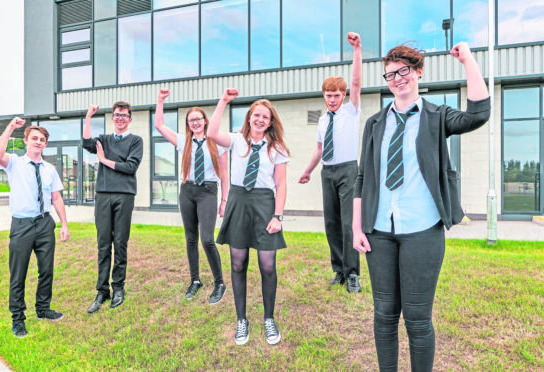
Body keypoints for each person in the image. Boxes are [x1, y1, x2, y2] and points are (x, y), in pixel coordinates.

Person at [352, 42, 490, 371]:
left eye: (403, 71)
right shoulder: (374, 123)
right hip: (379, 232)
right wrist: (356, 227)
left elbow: (478, 114)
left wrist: (468, 60)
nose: (397, 79)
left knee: (417, 319)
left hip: (422, 231)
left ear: (417, 72)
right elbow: (361, 178)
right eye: (390, 74)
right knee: (384, 316)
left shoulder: (437, 116)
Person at [208, 88, 290, 346]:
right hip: (239, 202)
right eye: (257, 115)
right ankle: (241, 320)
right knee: (237, 263)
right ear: (249, 117)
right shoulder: (236, 140)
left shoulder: (276, 147)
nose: (260, 119)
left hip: (264, 204)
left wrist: (278, 215)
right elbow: (211, 133)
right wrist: (223, 101)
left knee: (267, 264)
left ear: (270, 121)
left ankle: (268, 318)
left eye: (265, 117)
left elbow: (282, 185)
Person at [0, 118, 70, 338]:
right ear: (26, 140)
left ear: (45, 144)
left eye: (42, 140)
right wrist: (10, 127)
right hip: (22, 225)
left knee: (46, 270)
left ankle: (43, 309)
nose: (38, 142)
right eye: (34, 138)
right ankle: (18, 319)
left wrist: (64, 224)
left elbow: (56, 198)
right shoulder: (15, 163)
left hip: (45, 223)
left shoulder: (49, 169)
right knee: (18, 274)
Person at [298, 32, 363, 292]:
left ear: (343, 95)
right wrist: (307, 171)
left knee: (349, 224)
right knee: (332, 223)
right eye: (328, 95)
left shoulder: (351, 110)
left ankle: (353, 273)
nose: (332, 99)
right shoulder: (323, 120)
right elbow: (319, 149)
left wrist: (356, 50)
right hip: (327, 172)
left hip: (349, 171)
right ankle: (338, 269)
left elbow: (357, 82)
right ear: (324, 96)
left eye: (336, 95)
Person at [154, 88, 229, 304]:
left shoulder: (216, 142)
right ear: (188, 124)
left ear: (205, 121)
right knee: (190, 239)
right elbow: (159, 125)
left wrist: (224, 200)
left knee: (207, 239)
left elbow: (224, 174)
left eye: (198, 119)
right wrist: (160, 101)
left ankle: (219, 283)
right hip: (187, 191)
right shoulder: (182, 141)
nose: (195, 122)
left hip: (208, 191)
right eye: (191, 120)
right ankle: (195, 281)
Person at [83, 101, 143, 313]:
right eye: (117, 115)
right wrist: (89, 116)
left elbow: (130, 167)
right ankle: (102, 290)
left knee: (120, 242)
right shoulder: (104, 139)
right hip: (103, 195)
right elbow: (86, 142)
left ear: (129, 119)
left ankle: (118, 287)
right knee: (103, 243)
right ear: (112, 117)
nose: (120, 118)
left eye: (124, 115)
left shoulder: (136, 141)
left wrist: (103, 160)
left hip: (124, 196)